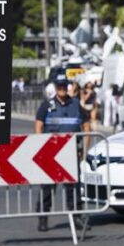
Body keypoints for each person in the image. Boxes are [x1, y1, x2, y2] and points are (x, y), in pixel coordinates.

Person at [35, 73, 91, 232]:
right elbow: (38, 126)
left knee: (73, 187)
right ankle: (43, 217)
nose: (62, 89)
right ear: (55, 87)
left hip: (71, 153)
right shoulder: (47, 105)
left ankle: (76, 216)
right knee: (47, 187)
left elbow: (86, 126)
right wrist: (41, 148)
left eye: (64, 86)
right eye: (59, 86)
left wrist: (84, 150)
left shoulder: (76, 104)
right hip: (51, 153)